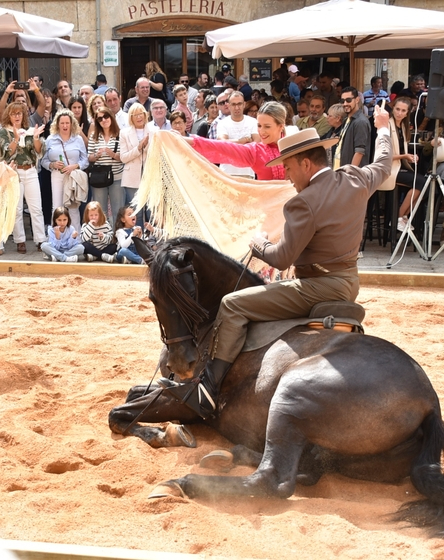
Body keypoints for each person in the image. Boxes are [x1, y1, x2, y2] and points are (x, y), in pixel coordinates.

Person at [161, 104, 393, 420]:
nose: (286, 174)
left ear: (307, 164)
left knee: (231, 305)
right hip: (349, 283)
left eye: (289, 167)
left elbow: (282, 257)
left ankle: (207, 390)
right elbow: (382, 162)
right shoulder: (355, 178)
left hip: (316, 287)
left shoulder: (303, 202)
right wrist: (383, 128)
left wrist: (259, 243)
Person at [186, 101, 287, 181]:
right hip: (266, 204)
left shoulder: (293, 146)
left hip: (296, 205)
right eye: (259, 126)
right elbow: (221, 147)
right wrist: (186, 140)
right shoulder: (256, 151)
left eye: (267, 127)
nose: (262, 131)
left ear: (281, 126)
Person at [0, 101, 46, 254]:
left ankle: (40, 240)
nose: (17, 116)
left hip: (30, 171)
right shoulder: (4, 132)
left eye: (19, 113)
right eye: (13, 113)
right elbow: (6, 152)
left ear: (23, 115)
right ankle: (20, 240)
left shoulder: (30, 130)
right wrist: (16, 139)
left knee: (36, 208)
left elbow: (38, 151)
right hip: (14, 172)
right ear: (8, 116)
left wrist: (36, 138)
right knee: (17, 209)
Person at [384, 98, 427, 232]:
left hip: (398, 166)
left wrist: (408, 157)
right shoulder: (386, 125)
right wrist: (404, 156)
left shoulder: (403, 126)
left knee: (425, 183)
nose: (399, 113)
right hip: (387, 168)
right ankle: (398, 217)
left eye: (403, 110)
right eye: (397, 109)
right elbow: (383, 155)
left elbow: (400, 152)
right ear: (393, 108)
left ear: (408, 112)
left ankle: (403, 216)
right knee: (420, 182)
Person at [42, 109, 89, 231]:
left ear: (72, 123)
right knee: (57, 206)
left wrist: (75, 166)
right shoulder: (50, 139)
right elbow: (43, 161)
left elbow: (85, 160)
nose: (65, 126)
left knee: (73, 207)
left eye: (67, 123)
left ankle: (76, 237)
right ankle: (55, 237)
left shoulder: (78, 139)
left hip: (73, 176)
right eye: (62, 123)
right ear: (57, 124)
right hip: (57, 175)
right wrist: (52, 165)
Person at [86, 107, 123, 220]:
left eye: (106, 117)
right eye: (100, 119)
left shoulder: (121, 134)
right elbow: (89, 157)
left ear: (111, 117)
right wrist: (97, 154)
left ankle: (117, 236)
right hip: (99, 177)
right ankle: (102, 236)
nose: (104, 120)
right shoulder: (94, 136)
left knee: (118, 210)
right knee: (100, 211)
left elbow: (124, 157)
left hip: (116, 177)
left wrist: (112, 154)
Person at [120, 104, 151, 214]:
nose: (139, 117)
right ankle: (136, 232)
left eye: (141, 114)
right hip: (132, 177)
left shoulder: (154, 130)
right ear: (131, 117)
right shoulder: (124, 133)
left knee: (150, 212)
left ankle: (150, 231)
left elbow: (157, 153)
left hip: (150, 176)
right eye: (135, 115)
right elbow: (123, 157)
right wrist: (138, 148)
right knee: (135, 213)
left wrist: (145, 146)